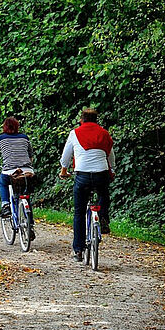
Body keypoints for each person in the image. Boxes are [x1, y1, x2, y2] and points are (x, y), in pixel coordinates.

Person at [59, 108, 115, 262]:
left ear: (81, 120)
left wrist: (64, 171)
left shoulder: (74, 133)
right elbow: (110, 154)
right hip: (101, 174)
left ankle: (78, 250)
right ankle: (103, 217)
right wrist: (113, 169)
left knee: (79, 212)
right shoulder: (104, 133)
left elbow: (65, 157)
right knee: (104, 194)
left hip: (82, 176)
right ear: (96, 120)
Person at [0, 116, 35, 239]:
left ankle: (5, 204)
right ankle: (30, 226)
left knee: (3, 182)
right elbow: (31, 157)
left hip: (10, 172)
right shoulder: (24, 138)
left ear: (4, 127)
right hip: (26, 172)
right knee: (25, 195)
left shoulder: (1, 139)